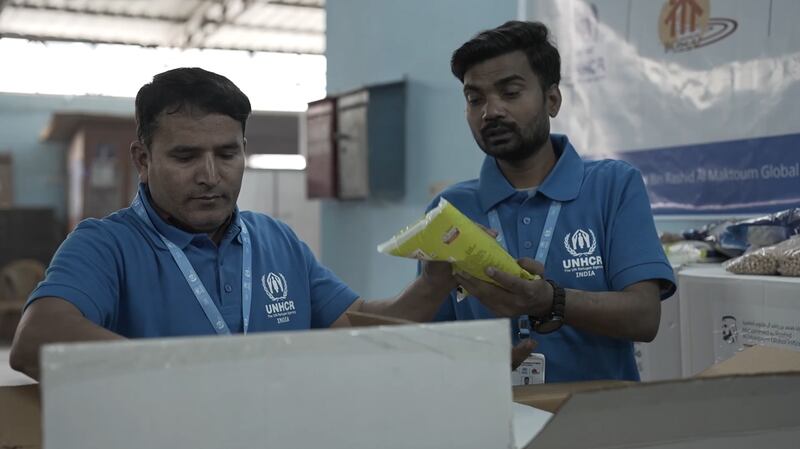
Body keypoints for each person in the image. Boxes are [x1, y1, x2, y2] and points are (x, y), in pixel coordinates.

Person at [10, 67, 456, 380]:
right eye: (185, 156)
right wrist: (196, 375)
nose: (210, 175)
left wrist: (435, 282)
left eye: (227, 154)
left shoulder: (276, 240)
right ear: (143, 160)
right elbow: (38, 338)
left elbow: (357, 326)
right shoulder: (105, 245)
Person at [429, 21, 676, 382]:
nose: (490, 111)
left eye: (510, 92)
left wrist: (550, 300)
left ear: (552, 100)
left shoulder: (613, 186)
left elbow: (644, 316)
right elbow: (432, 340)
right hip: (492, 423)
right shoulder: (449, 209)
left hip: (601, 425)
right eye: (474, 98)